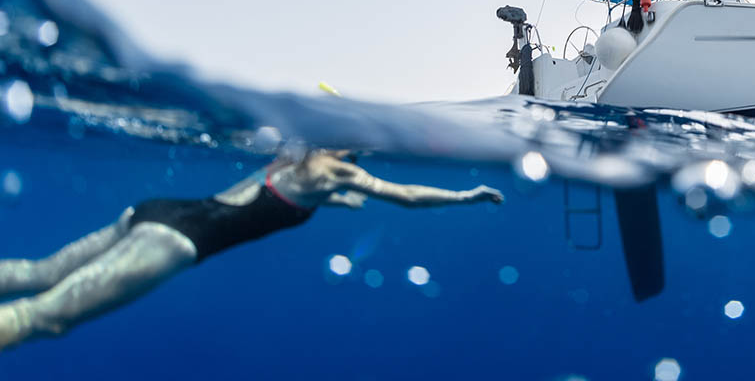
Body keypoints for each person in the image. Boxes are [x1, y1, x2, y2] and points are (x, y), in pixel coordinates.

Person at [0, 150, 503, 350]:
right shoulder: (338, 171)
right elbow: (408, 197)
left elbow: (289, 198)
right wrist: (466, 196)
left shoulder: (296, 161)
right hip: (178, 241)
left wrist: (338, 202)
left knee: (40, 273)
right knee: (44, 317)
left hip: (156, 211)